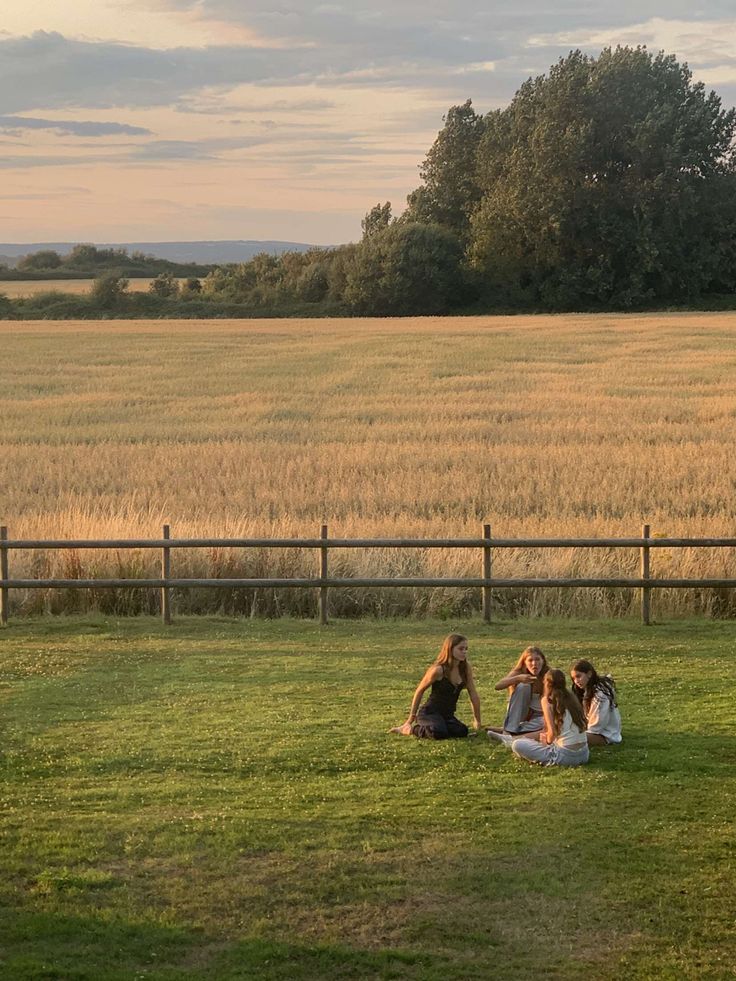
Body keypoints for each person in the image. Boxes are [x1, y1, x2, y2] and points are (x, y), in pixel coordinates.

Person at [389, 633, 481, 739]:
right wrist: (411, 719)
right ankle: (409, 730)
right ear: (450, 649)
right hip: (430, 712)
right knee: (438, 732)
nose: (464, 652)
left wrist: (477, 721)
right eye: (461, 649)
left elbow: (473, 694)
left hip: (447, 714)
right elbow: (420, 691)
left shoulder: (465, 668)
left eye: (466, 649)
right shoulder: (438, 670)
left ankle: (444, 728)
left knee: (462, 731)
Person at [510, 669, 589, 767]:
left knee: (517, 745)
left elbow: (552, 734)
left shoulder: (547, 701)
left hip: (565, 757)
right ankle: (510, 739)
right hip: (584, 754)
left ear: (546, 684)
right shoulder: (572, 698)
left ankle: (511, 740)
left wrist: (546, 742)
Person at [487, 645, 549, 736]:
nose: (534, 663)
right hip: (521, 713)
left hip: (540, 715)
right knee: (524, 686)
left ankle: (511, 730)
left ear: (543, 661)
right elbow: (498, 686)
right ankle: (510, 730)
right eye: (530, 660)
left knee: (547, 722)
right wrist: (517, 679)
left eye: (537, 659)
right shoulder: (520, 672)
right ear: (525, 662)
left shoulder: (548, 674)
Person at [570, 659, 622, 746]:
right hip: (594, 730)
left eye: (578, 676)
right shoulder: (587, 690)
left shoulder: (600, 695)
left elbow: (597, 725)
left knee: (570, 739)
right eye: (574, 678)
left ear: (589, 674)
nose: (576, 681)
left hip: (605, 734)